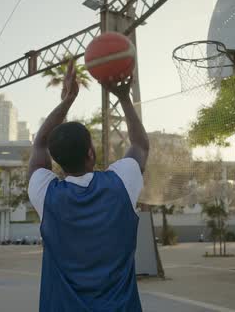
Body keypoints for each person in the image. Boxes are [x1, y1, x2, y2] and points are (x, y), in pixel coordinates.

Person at [28, 59, 149, 311]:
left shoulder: (46, 195)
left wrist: (66, 101)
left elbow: (39, 144)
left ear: (57, 162)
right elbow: (140, 145)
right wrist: (124, 97)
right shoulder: (120, 184)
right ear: (91, 154)